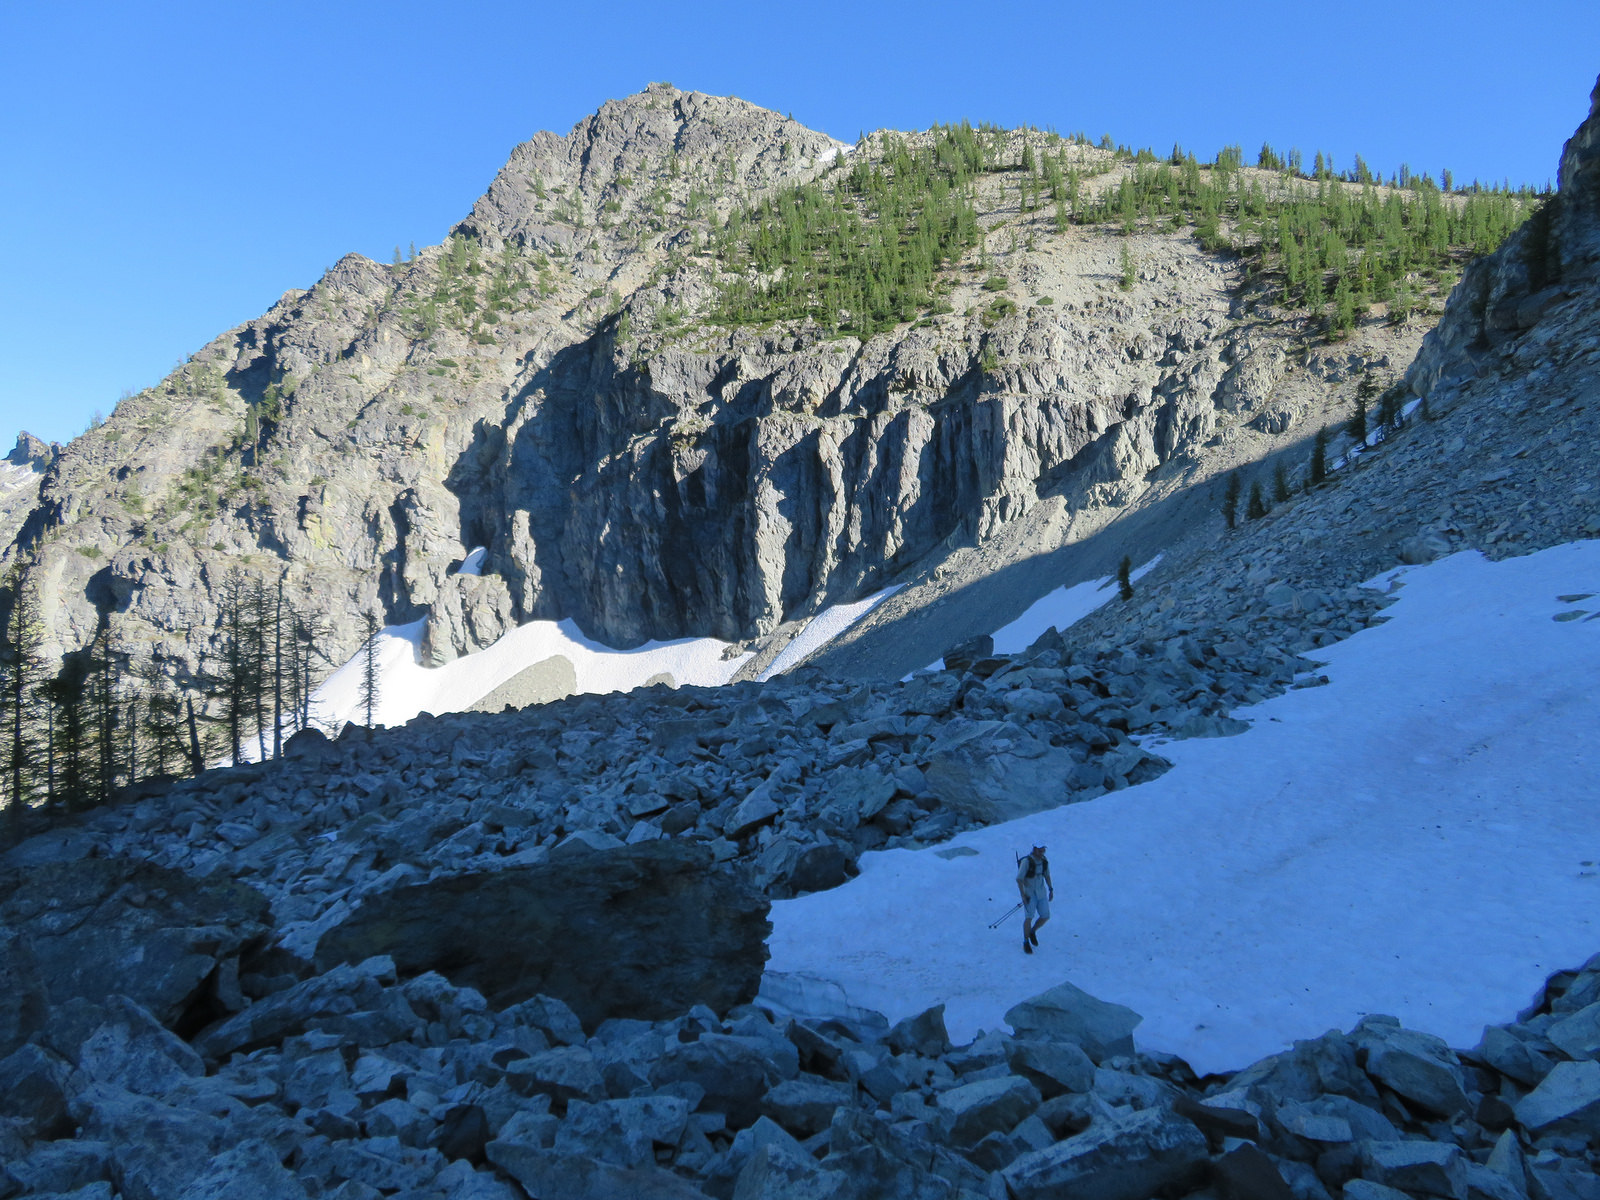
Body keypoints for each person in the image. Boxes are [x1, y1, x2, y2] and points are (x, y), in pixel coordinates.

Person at [1016, 845, 1053, 954]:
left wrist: (1051, 889)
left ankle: (1033, 931)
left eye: (1044, 850)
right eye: (1040, 850)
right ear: (1035, 849)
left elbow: (1047, 875)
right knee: (1029, 917)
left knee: (1045, 916)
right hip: (1030, 894)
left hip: (1041, 893)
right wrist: (1023, 895)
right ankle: (1026, 941)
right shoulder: (1027, 862)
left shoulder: (1044, 861)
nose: (1042, 852)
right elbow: (1019, 879)